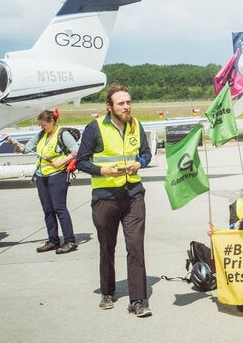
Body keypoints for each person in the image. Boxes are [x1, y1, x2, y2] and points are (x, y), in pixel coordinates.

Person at [75, 84, 153, 318]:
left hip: (133, 195)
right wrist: (102, 171)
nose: (126, 106)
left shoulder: (136, 125)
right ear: (109, 106)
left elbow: (146, 153)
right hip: (105, 198)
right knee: (107, 247)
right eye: (121, 103)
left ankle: (138, 300)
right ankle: (107, 292)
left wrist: (140, 163)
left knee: (135, 247)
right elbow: (81, 161)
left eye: (128, 102)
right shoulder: (95, 128)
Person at [10, 110, 79, 254]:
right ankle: (53, 240)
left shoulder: (62, 134)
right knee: (47, 209)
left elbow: (76, 151)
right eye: (40, 125)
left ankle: (70, 241)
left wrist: (61, 161)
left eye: (44, 125)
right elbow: (25, 149)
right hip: (42, 175)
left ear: (52, 121)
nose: (42, 127)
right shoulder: (42, 134)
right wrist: (13, 143)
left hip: (57, 175)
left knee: (59, 208)